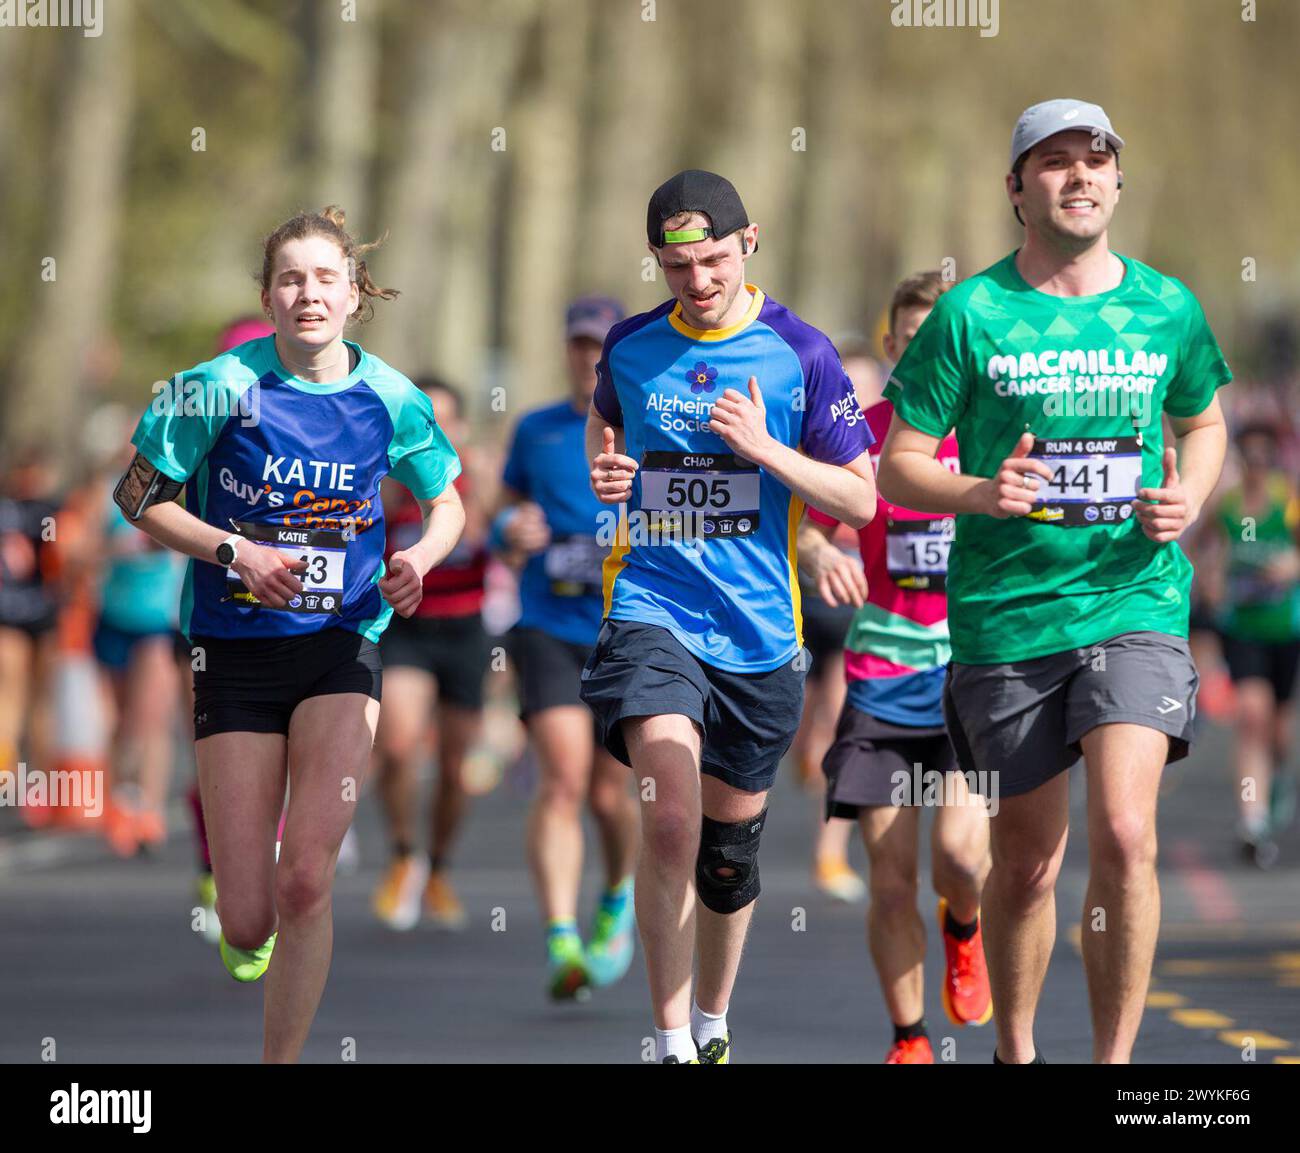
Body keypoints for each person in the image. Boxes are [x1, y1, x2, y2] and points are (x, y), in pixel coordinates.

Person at [876, 101, 1232, 1064]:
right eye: (1054, 162)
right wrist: (983, 491)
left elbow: (1203, 421)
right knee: (1028, 866)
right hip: (1007, 618)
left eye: (1096, 160)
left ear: (1119, 182)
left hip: (1136, 599)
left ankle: (1115, 1069)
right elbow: (898, 465)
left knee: (1125, 831)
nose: (1079, 176)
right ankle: (1017, 1051)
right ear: (1016, 188)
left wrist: (1189, 496)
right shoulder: (970, 313)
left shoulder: (1168, 306)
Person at [115, 206, 464, 1062]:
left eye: (325, 278)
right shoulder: (214, 386)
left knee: (306, 874)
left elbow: (446, 501)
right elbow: (135, 495)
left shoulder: (390, 395)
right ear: (269, 297)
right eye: (290, 279)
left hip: (341, 647)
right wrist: (233, 547)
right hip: (233, 653)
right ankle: (250, 927)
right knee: (247, 913)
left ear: (354, 293)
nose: (309, 293)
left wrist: (420, 556)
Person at [582, 170, 875, 1063]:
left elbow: (860, 501)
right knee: (668, 816)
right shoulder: (630, 346)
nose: (698, 281)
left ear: (751, 243)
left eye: (712, 259)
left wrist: (765, 450)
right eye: (676, 266)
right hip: (652, 608)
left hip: (760, 634)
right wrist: (609, 473)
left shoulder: (804, 353)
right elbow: (606, 426)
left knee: (725, 859)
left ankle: (711, 1023)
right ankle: (668, 1039)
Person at [799, 271, 992, 1063]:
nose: (925, 353)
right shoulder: (862, 436)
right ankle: (909, 1036)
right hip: (881, 676)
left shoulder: (996, 430)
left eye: (938, 340)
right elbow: (807, 525)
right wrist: (818, 554)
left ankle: (965, 925)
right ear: (891, 350)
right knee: (887, 876)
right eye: (911, 342)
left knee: (956, 855)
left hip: (976, 673)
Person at [494, 295, 640, 1001]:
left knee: (611, 793)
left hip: (626, 627)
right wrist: (508, 530)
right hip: (548, 623)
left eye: (601, 347)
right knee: (561, 779)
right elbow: (504, 509)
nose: (589, 358)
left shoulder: (647, 422)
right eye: (579, 344)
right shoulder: (536, 429)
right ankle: (559, 934)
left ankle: (616, 894)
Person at [372, 376, 492, 928]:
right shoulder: (388, 474)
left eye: (445, 421)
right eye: (425, 421)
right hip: (406, 627)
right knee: (396, 747)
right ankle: (403, 857)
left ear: (461, 427)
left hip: (465, 629)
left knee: (453, 766)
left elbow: (502, 537)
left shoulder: (479, 475)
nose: (434, 432)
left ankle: (439, 869)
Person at [1200, 423, 1300, 867]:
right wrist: (1210, 580)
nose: (1258, 465)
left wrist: (1291, 564)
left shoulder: (1288, 502)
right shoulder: (1229, 505)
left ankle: (1280, 778)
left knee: (1278, 732)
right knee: (1251, 718)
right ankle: (1252, 820)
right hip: (1241, 627)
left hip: (1286, 628)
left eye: (1265, 456)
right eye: (1250, 456)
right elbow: (1202, 546)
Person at [92, 435, 187, 857]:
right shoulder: (108, 493)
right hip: (113, 617)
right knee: (120, 720)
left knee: (151, 717)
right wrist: (114, 549)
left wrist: (164, 539)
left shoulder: (178, 490)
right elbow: (78, 553)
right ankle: (119, 802)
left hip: (156, 621)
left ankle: (148, 808)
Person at [0, 452, 62, 812]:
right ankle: (31, 788)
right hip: (32, 610)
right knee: (28, 700)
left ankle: (24, 783)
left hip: (27, 613)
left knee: (25, 700)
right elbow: (63, 560)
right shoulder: (50, 511)